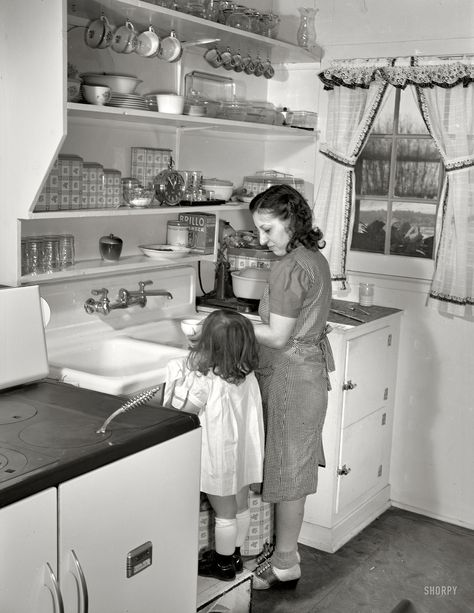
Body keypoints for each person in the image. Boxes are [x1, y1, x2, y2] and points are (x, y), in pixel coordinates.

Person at [247, 184, 334, 590]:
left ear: (291, 221)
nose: (263, 240)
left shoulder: (287, 267)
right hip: (308, 373)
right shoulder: (312, 257)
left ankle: (283, 562)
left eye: (267, 230)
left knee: (287, 472)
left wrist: (232, 324)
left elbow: (278, 336)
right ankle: (286, 559)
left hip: (289, 377)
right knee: (292, 469)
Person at [163, 309, 265, 582]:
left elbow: (184, 412)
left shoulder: (205, 380)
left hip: (220, 457)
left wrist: (177, 385)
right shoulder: (247, 374)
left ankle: (222, 565)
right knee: (241, 506)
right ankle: (234, 556)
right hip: (242, 455)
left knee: (224, 515)